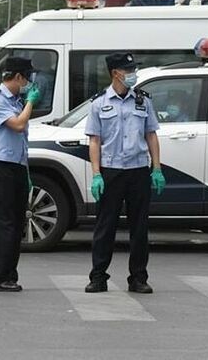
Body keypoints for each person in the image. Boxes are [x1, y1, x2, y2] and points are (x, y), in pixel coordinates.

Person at [83, 52, 164, 294]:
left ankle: (138, 277)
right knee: (105, 227)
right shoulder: (99, 103)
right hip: (111, 172)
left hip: (138, 170)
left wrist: (157, 168)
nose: (132, 75)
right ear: (115, 73)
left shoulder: (143, 101)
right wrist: (96, 174)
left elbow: (151, 135)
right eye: (128, 71)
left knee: (139, 227)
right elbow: (94, 141)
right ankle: (98, 277)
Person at [0, 56, 41, 293]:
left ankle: (10, 274)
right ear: (18, 77)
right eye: (27, 78)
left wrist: (25, 170)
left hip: (16, 165)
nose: (30, 83)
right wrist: (30, 104)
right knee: (3, 224)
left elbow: (21, 141)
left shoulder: (17, 101)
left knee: (17, 223)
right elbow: (17, 125)